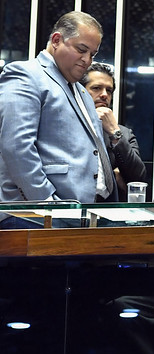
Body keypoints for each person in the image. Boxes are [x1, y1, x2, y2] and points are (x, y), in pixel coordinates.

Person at [0, 11, 117, 207]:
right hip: (37, 212)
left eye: (92, 54)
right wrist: (46, 202)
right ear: (56, 40)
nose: (87, 60)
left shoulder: (82, 91)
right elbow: (16, 146)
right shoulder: (25, 74)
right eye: (81, 49)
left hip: (85, 209)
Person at [80, 62, 147, 200]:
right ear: (81, 90)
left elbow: (138, 178)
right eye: (97, 88)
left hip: (108, 207)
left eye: (109, 90)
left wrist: (114, 132)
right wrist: (112, 174)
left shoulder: (123, 133)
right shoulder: (66, 126)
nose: (104, 95)